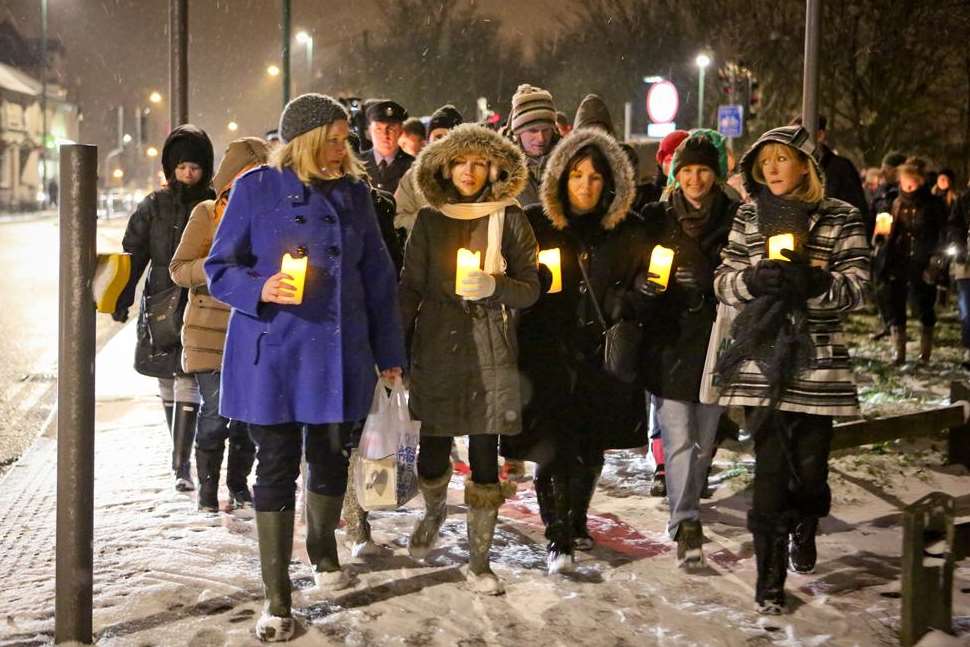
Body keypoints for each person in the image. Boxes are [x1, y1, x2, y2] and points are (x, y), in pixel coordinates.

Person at [205, 93, 405, 641]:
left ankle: (322, 549)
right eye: (335, 139)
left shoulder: (357, 196)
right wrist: (260, 287)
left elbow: (379, 283)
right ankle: (277, 597)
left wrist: (390, 357)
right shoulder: (253, 190)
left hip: (339, 354)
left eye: (346, 139)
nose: (345, 149)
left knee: (329, 458)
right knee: (274, 466)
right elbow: (218, 266)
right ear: (307, 141)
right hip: (273, 355)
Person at [714, 125, 869, 614]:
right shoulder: (747, 216)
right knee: (769, 477)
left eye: (783, 159)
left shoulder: (841, 217)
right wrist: (752, 279)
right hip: (763, 361)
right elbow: (723, 282)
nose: (773, 168)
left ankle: (806, 520)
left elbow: (860, 286)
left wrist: (817, 281)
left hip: (817, 364)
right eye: (766, 161)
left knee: (809, 475)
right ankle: (769, 582)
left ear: (805, 165)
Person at [500, 127, 648, 573]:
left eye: (595, 177)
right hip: (549, 348)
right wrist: (532, 287)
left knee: (590, 444)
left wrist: (631, 298)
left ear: (610, 183)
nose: (585, 185)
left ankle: (577, 516)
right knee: (555, 445)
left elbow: (648, 277)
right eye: (577, 175)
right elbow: (512, 274)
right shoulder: (536, 223)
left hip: (600, 353)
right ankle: (558, 534)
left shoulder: (625, 229)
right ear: (561, 178)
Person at [400, 123, 540, 595]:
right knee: (434, 448)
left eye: (479, 163)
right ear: (445, 166)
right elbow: (410, 287)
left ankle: (479, 560)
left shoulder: (511, 217)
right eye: (461, 162)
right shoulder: (430, 219)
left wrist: (495, 287)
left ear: (494, 168)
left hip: (489, 347)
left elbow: (531, 287)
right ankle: (434, 512)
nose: (469, 171)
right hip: (438, 343)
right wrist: (395, 349)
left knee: (484, 453)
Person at [638, 129, 741, 569]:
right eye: (687, 171)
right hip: (670, 340)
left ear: (716, 175)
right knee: (678, 435)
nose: (695, 179)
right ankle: (686, 520)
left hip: (718, 340)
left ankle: (688, 501)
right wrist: (647, 287)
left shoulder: (737, 218)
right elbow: (637, 265)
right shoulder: (657, 217)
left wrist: (711, 283)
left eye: (703, 170)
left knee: (703, 440)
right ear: (675, 174)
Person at [169, 136, 269, 512]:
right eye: (247, 173)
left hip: (252, 328)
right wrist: (221, 272)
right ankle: (207, 492)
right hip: (208, 332)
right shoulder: (207, 213)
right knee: (215, 414)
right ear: (230, 177)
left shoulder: (270, 214)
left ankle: (238, 487)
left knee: (246, 417)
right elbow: (178, 269)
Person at [114, 124, 215, 492]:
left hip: (200, 301)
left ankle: (180, 465)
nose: (188, 174)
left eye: (195, 168)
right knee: (165, 376)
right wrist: (122, 296)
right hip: (160, 301)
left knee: (189, 375)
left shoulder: (213, 203)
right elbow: (133, 253)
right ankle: (179, 459)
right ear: (170, 167)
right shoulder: (153, 206)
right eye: (182, 167)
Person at [875, 156, 947, 364]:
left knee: (923, 305)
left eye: (912, 180)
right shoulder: (895, 202)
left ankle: (925, 352)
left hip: (923, 261)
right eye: (904, 180)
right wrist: (881, 238)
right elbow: (887, 230)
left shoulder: (933, 205)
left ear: (921, 181)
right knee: (895, 304)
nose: (908, 185)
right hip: (898, 260)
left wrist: (936, 263)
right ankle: (900, 353)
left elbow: (941, 234)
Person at [394, 104, 464, 238]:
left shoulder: (474, 172)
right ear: (428, 141)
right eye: (438, 137)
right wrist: (429, 220)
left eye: (451, 136)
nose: (444, 142)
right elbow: (398, 219)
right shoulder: (413, 177)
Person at [869, 151, 907, 341]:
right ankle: (887, 323)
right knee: (880, 287)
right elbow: (873, 214)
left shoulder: (903, 192)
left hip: (898, 248)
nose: (884, 172)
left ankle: (897, 329)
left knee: (894, 291)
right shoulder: (881, 191)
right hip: (880, 247)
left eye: (888, 169)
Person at [506, 83, 560, 206]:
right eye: (533, 131)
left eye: (546, 130)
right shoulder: (501, 168)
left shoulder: (570, 162)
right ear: (518, 132)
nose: (541, 138)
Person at [363, 99, 414, 193]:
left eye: (391, 128)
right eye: (378, 129)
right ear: (370, 131)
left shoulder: (413, 166)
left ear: (400, 132)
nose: (384, 134)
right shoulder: (356, 163)